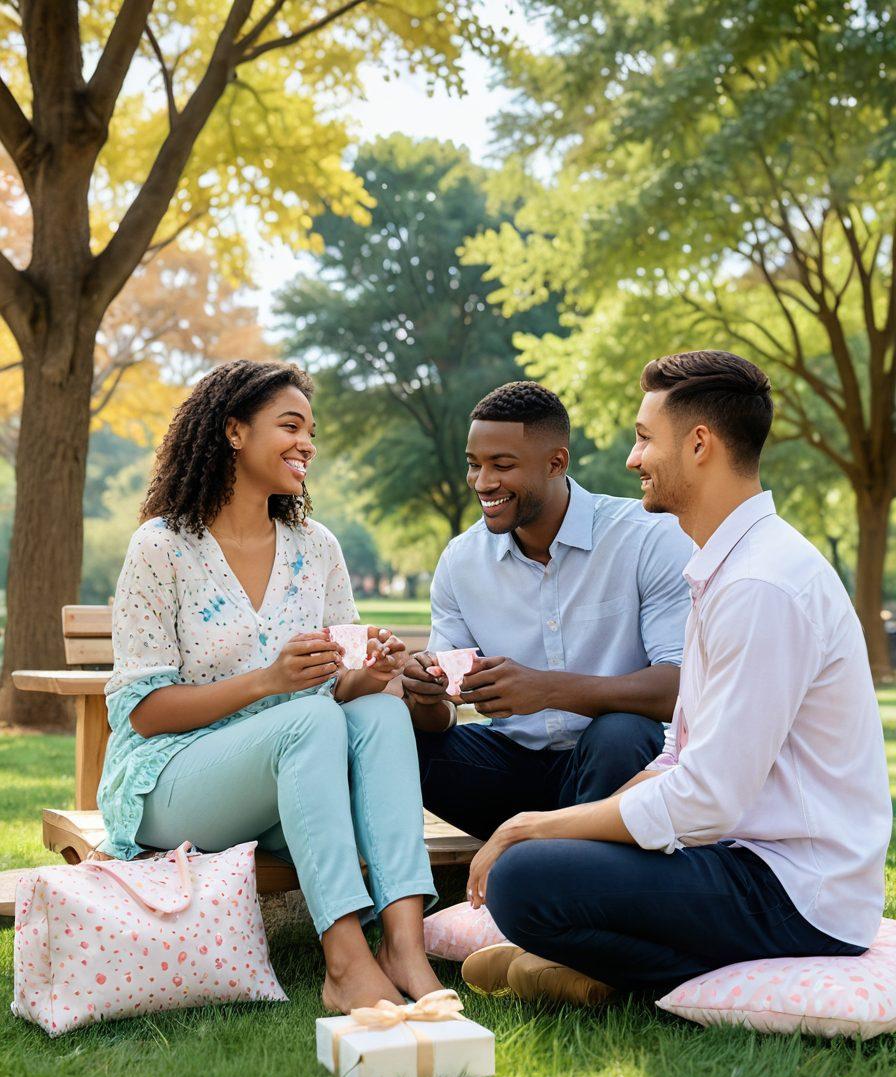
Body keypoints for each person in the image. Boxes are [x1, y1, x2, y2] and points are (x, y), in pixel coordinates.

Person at [461, 350, 892, 1007]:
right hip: (739, 855)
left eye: (643, 439)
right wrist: (573, 824)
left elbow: (704, 800)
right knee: (541, 873)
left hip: (795, 889)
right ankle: (575, 967)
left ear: (698, 445)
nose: (633, 459)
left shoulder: (760, 584)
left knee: (525, 877)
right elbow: (676, 754)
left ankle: (599, 968)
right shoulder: (722, 567)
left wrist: (535, 827)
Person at [95, 359, 441, 1013]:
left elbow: (329, 694)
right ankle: (344, 963)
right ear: (232, 431)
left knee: (380, 714)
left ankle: (404, 946)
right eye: (290, 425)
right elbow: (141, 713)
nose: (307, 442)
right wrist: (268, 682)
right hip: (172, 782)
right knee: (306, 722)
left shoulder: (317, 548)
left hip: (294, 779)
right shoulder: (161, 547)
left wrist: (365, 678)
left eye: (311, 429)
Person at [401, 381, 693, 842]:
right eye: (474, 465)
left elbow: (682, 688)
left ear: (556, 462)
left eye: (502, 465)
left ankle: (560, 866)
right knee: (399, 740)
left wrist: (549, 690)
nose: (483, 482)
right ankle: (546, 855)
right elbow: (441, 720)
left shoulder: (647, 538)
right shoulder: (461, 560)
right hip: (508, 770)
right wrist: (424, 694)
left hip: (618, 771)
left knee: (622, 733)